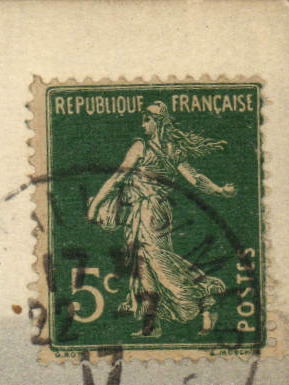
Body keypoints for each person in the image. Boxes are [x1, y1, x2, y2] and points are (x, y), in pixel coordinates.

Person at [85, 100, 236, 337]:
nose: (143, 124)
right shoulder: (169, 150)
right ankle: (152, 324)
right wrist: (218, 190)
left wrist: (94, 205)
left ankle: (206, 297)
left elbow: (117, 179)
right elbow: (194, 179)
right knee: (143, 265)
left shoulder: (142, 147)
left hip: (151, 212)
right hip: (144, 211)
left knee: (158, 262)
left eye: (147, 120)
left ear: (159, 123)